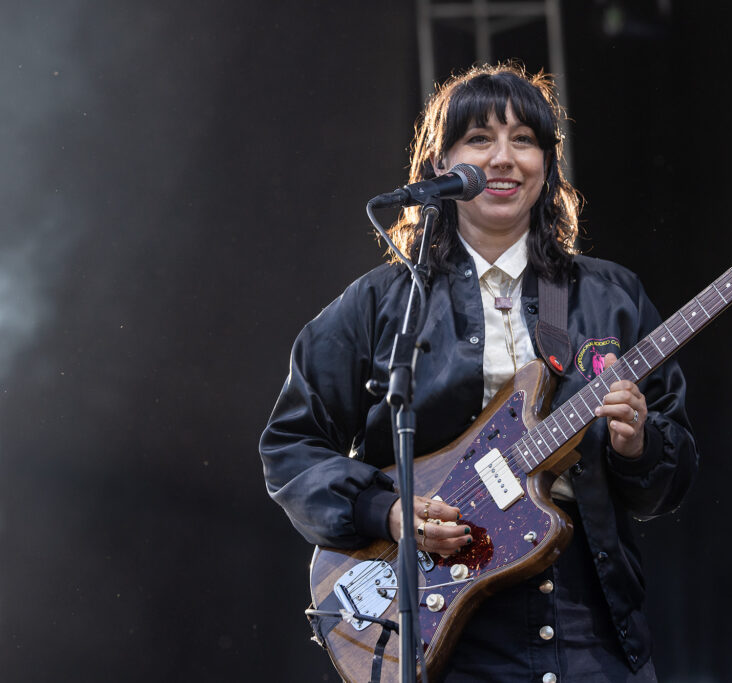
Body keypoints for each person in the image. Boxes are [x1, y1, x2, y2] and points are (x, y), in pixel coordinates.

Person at [259, 63, 699, 682]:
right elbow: (291, 444)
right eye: (479, 139)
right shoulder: (382, 302)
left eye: (524, 140)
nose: (503, 158)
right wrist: (384, 513)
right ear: (441, 164)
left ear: (547, 166)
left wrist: (638, 443)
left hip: (588, 618)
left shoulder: (610, 297)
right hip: (440, 624)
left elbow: (669, 480)